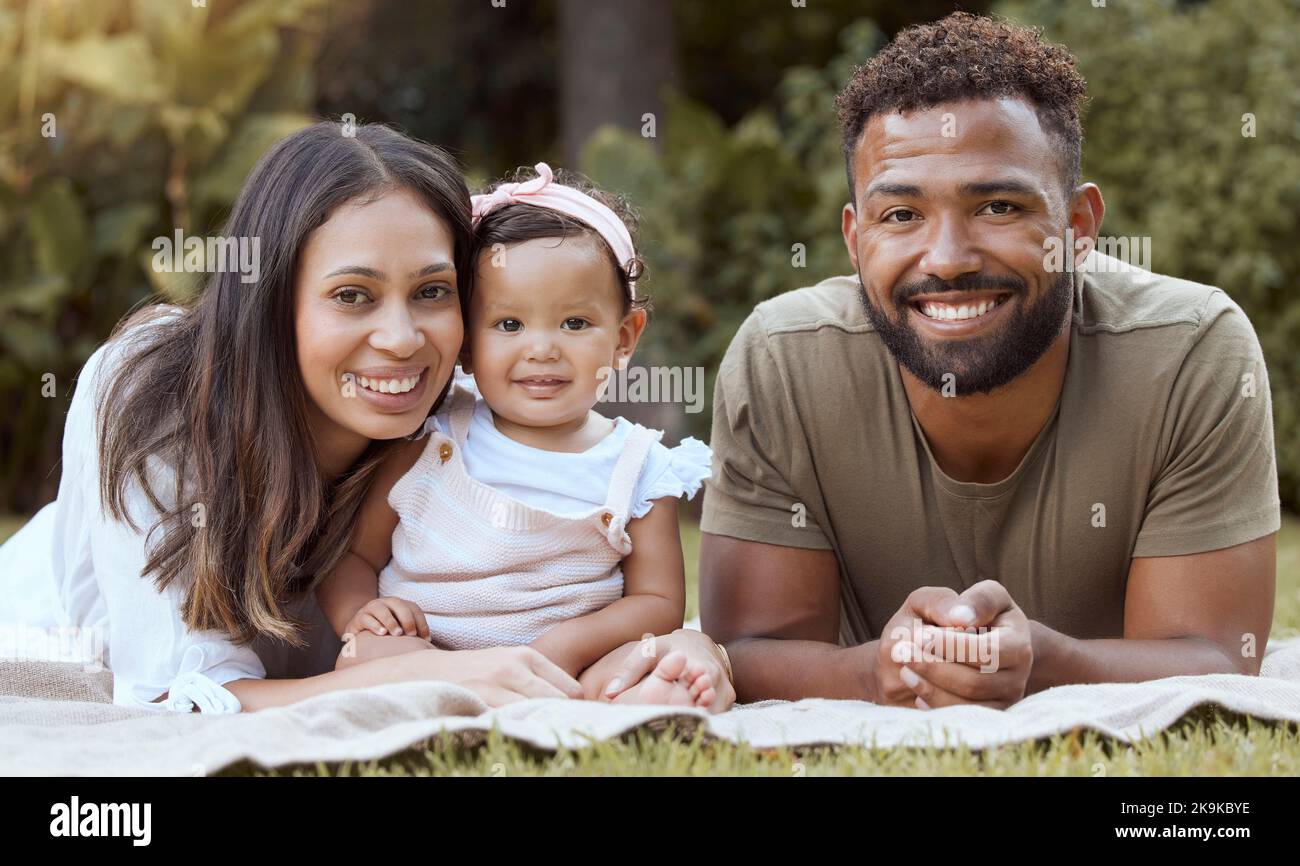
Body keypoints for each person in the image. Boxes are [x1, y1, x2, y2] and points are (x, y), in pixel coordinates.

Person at [699, 12, 1279, 708]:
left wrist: (1045, 660)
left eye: (998, 206)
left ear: (1079, 227)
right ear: (855, 239)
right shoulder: (781, 364)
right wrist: (873, 671)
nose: (946, 260)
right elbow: (747, 652)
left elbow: (1215, 658)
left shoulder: (1191, 351)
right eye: (901, 215)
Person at [0, 123, 587, 712]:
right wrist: (434, 680)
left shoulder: (467, 424)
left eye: (432, 291)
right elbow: (185, 697)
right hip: (40, 642)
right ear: (273, 300)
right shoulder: (155, 393)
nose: (402, 339)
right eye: (352, 295)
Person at [316, 163, 720, 709]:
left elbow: (658, 599)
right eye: (509, 325)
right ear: (464, 341)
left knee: (665, 652)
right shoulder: (433, 441)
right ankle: (465, 697)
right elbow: (350, 557)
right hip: (435, 656)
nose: (543, 350)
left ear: (624, 339)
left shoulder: (638, 465)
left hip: (570, 666)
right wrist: (360, 611)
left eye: (575, 324)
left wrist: (566, 644)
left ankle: (621, 699)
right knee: (367, 654)